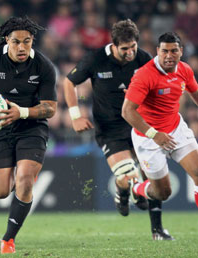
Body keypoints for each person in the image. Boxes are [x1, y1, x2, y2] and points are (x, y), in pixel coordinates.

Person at [64, 19, 174, 240]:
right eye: (125, 49)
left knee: (151, 175)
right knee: (129, 176)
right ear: (113, 45)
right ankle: (123, 191)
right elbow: (69, 82)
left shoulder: (144, 59)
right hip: (110, 129)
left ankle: (157, 230)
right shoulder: (95, 59)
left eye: (133, 46)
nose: (130, 52)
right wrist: (76, 116)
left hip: (139, 125)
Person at [0, 15, 57, 254]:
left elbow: (50, 107)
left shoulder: (43, 66)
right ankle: (20, 183)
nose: (22, 47)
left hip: (32, 127)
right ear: (7, 40)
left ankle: (8, 239)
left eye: (27, 41)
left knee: (25, 180)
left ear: (33, 40)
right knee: (1, 191)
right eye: (16, 42)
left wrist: (22, 112)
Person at [122, 32, 198, 211]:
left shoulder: (185, 70)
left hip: (176, 129)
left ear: (181, 51)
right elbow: (127, 111)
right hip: (148, 137)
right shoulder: (145, 75)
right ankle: (137, 187)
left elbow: (195, 93)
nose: (169, 56)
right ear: (157, 51)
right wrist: (154, 135)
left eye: (173, 51)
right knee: (163, 193)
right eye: (164, 51)